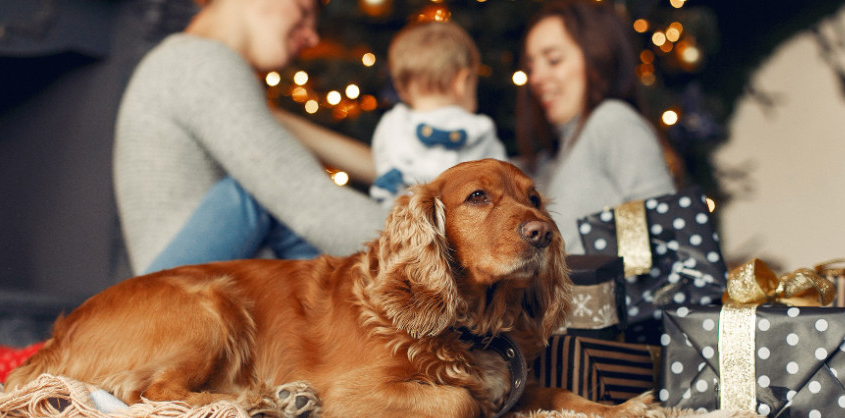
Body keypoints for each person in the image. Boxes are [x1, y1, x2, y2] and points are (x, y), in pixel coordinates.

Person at [113, 0, 388, 275]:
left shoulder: (182, 64)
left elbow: (302, 164)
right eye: (304, 11)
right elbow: (307, 198)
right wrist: (423, 244)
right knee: (264, 192)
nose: (313, 37)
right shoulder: (201, 62)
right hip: (178, 299)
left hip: (177, 294)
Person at [516, 0, 676, 254]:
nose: (535, 78)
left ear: (598, 57)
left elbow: (663, 237)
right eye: (531, 66)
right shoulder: (551, 160)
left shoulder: (612, 122)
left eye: (554, 60)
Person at [369, 20, 507, 206]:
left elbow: (383, 171)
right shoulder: (481, 130)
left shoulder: (392, 123)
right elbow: (505, 183)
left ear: (402, 90)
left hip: (407, 224)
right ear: (463, 81)